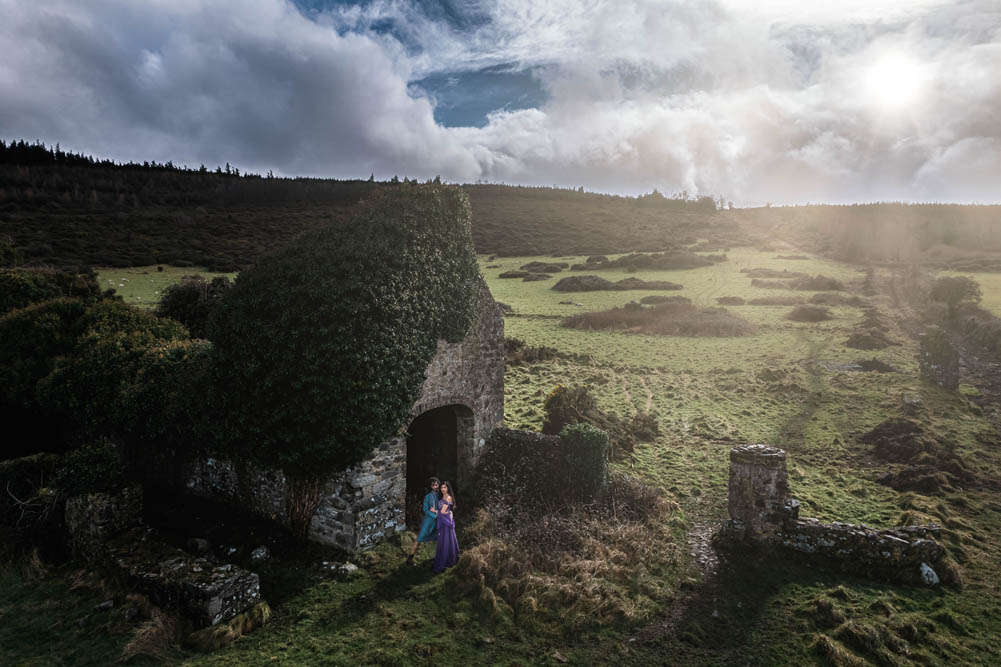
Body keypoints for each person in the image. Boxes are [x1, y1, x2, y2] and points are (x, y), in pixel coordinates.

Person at [407, 477, 439, 565]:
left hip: (437, 521)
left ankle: (438, 557)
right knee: (419, 539)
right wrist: (435, 515)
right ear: (430, 486)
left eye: (437, 484)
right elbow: (426, 509)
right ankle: (410, 558)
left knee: (439, 538)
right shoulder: (428, 497)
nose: (435, 486)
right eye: (433, 485)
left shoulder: (439, 496)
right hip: (428, 521)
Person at [432, 481, 459, 573]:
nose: (443, 489)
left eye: (445, 487)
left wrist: (434, 510)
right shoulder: (443, 496)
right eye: (442, 487)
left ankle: (447, 559)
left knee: (446, 540)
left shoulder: (448, 498)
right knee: (443, 540)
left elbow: (442, 512)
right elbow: (445, 510)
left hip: (446, 521)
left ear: (448, 488)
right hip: (443, 519)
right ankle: (445, 556)